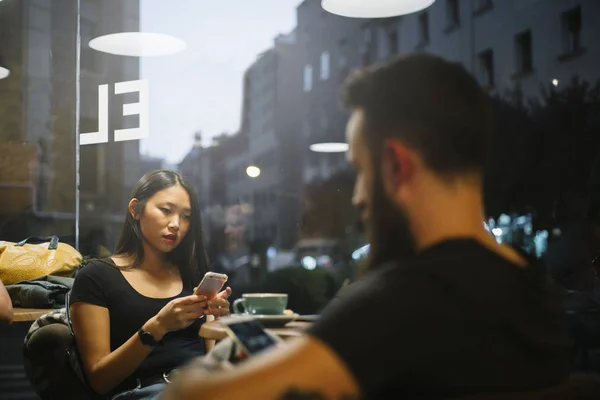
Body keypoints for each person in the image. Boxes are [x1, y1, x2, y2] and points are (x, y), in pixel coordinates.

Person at [160, 54, 571, 399]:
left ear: (396, 164)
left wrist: (210, 364)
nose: (357, 196)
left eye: (359, 169)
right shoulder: (533, 286)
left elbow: (196, 397)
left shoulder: (403, 301)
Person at [69, 170, 232, 400]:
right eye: (166, 211)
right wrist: (158, 325)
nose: (176, 224)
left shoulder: (192, 276)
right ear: (135, 209)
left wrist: (220, 322)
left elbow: (215, 360)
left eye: (186, 216)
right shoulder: (96, 276)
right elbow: (100, 381)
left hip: (201, 387)